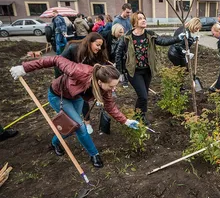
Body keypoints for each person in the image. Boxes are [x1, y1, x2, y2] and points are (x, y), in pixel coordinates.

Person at [10, 58, 140, 168]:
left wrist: (126, 121)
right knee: (80, 126)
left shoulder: (105, 89)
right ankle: (94, 154)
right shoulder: (78, 71)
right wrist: (25, 68)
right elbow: (55, 59)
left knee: (71, 127)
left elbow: (110, 106)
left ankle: (54, 143)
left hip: (76, 97)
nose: (114, 89)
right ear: (100, 82)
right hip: (58, 95)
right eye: (111, 86)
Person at [115, 11, 186, 125]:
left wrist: (178, 38)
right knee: (143, 95)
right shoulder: (127, 37)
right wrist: (120, 72)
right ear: (134, 22)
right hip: (134, 72)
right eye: (140, 18)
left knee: (144, 96)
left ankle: (139, 116)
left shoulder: (150, 34)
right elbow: (118, 54)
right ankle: (140, 117)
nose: (143, 20)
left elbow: (163, 41)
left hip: (147, 71)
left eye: (144, 18)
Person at [57, 32, 109, 134]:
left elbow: (101, 66)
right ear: (89, 42)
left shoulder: (97, 54)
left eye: (101, 46)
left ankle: (82, 122)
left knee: (84, 99)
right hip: (71, 80)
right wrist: (65, 77)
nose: (99, 48)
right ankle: (86, 123)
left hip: (86, 80)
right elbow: (59, 62)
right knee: (81, 102)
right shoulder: (73, 48)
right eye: (97, 45)